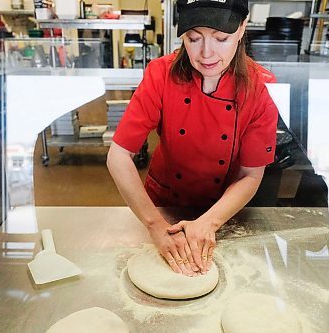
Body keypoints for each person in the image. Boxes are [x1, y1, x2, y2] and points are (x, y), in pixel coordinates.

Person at [107, 0, 278, 277]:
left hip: (223, 209)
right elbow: (118, 155)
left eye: (221, 38)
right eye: (193, 38)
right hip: (162, 206)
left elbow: (250, 175)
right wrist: (155, 224)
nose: (206, 53)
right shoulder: (161, 74)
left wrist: (209, 223)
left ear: (242, 29)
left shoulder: (260, 88)